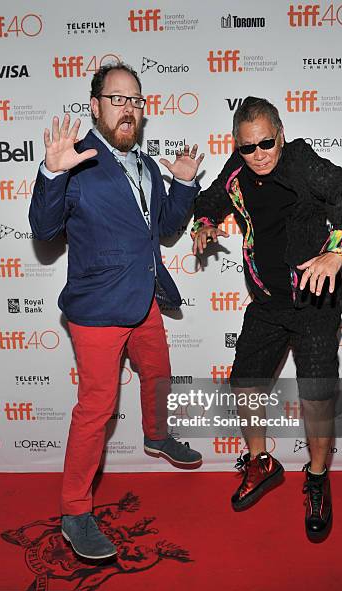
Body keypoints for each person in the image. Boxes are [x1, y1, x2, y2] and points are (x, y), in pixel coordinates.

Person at [29, 62, 204, 559]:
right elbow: (43, 230)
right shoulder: (76, 159)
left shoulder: (147, 166)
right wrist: (50, 173)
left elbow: (165, 228)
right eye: (117, 98)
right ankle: (75, 512)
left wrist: (185, 185)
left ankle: (157, 436)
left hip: (144, 299)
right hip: (98, 311)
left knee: (159, 373)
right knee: (96, 410)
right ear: (95, 106)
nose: (128, 108)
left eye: (135, 100)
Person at [192, 96, 342, 541]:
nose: (259, 155)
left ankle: (315, 477)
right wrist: (205, 224)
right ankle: (261, 462)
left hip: (313, 304)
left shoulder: (301, 161)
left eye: (267, 143)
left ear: (281, 133)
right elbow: (210, 200)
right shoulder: (237, 168)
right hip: (268, 303)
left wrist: (337, 250)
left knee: (316, 394)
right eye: (249, 147)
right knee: (245, 382)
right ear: (238, 145)